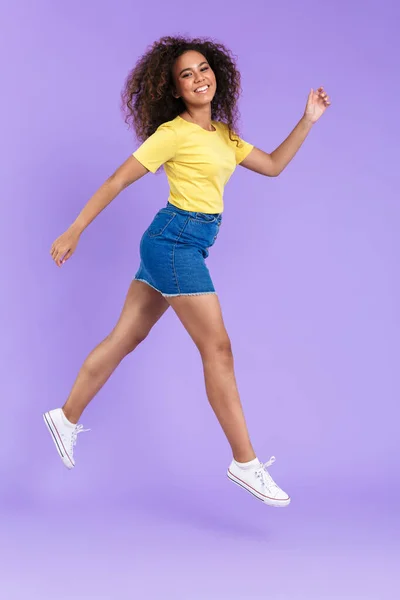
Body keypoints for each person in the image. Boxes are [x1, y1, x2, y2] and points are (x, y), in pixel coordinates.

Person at [44, 35, 330, 508]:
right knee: (217, 347)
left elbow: (275, 165)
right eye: (186, 75)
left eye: (203, 69)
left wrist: (307, 120)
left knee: (125, 337)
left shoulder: (224, 136)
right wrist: (75, 229)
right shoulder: (171, 133)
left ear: (217, 74)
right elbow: (118, 178)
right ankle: (244, 461)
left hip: (183, 242)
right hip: (175, 243)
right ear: (174, 89)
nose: (199, 78)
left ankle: (65, 416)